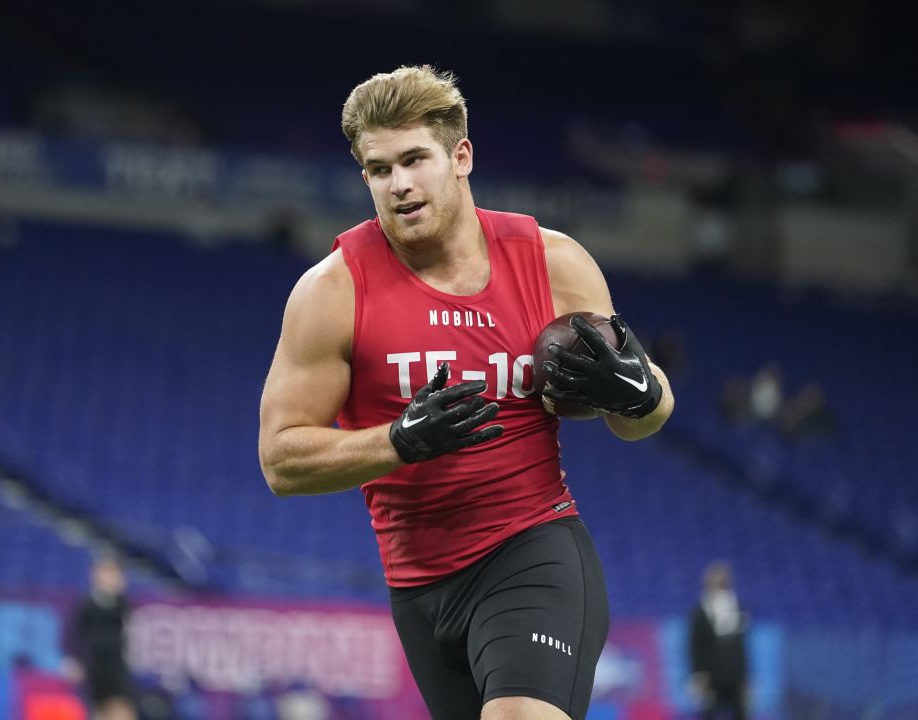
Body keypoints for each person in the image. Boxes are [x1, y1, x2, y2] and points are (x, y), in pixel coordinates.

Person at [257, 65, 675, 720]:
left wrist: (641, 393)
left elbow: (640, 418)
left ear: (460, 157)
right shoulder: (331, 291)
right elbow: (281, 462)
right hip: (418, 589)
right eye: (378, 168)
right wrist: (398, 441)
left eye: (414, 159)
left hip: (532, 552)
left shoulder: (553, 263)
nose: (398, 184)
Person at [64, 556, 137, 720]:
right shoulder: (86, 604)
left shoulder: (122, 603)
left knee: (122, 708)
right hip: (94, 665)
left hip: (116, 665)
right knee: (98, 710)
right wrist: (74, 660)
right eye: (105, 572)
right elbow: (73, 634)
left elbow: (128, 628)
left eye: (113, 573)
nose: (109, 577)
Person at [687, 562, 749, 720]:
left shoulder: (737, 607)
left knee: (740, 713)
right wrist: (698, 675)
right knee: (709, 714)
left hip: (734, 675)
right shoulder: (699, 612)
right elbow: (695, 646)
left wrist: (745, 676)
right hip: (710, 676)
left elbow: (740, 646)